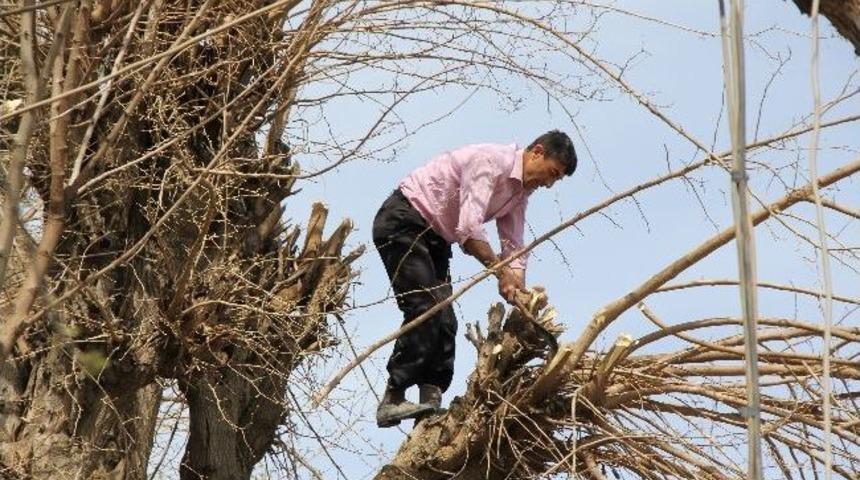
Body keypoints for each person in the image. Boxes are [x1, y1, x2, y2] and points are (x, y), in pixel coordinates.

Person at [372, 130, 577, 427]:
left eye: (556, 180)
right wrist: (500, 272)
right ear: (537, 152)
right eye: (552, 173)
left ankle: (430, 404)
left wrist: (517, 286)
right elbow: (468, 230)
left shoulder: (520, 193)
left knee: (445, 322)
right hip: (405, 220)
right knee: (425, 309)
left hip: (435, 239)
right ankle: (393, 397)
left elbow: (514, 247)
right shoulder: (490, 162)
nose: (548, 183)